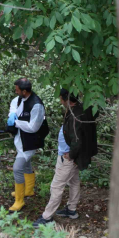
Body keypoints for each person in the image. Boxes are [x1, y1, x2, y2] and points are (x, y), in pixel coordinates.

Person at [33, 88, 98, 227]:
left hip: (68, 157)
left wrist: (72, 155)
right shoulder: (82, 108)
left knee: (56, 186)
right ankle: (71, 210)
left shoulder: (76, 115)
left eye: (61, 99)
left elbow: (77, 139)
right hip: (73, 155)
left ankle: (47, 217)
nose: (60, 101)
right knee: (74, 182)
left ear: (66, 100)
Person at [6, 78, 49, 212]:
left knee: (17, 168)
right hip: (21, 139)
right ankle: (29, 190)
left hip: (31, 141)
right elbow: (13, 105)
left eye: (17, 90)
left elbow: (33, 127)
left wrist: (16, 122)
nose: (15, 91)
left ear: (24, 91)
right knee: (27, 164)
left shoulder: (36, 105)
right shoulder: (19, 98)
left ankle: (19, 201)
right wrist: (12, 114)